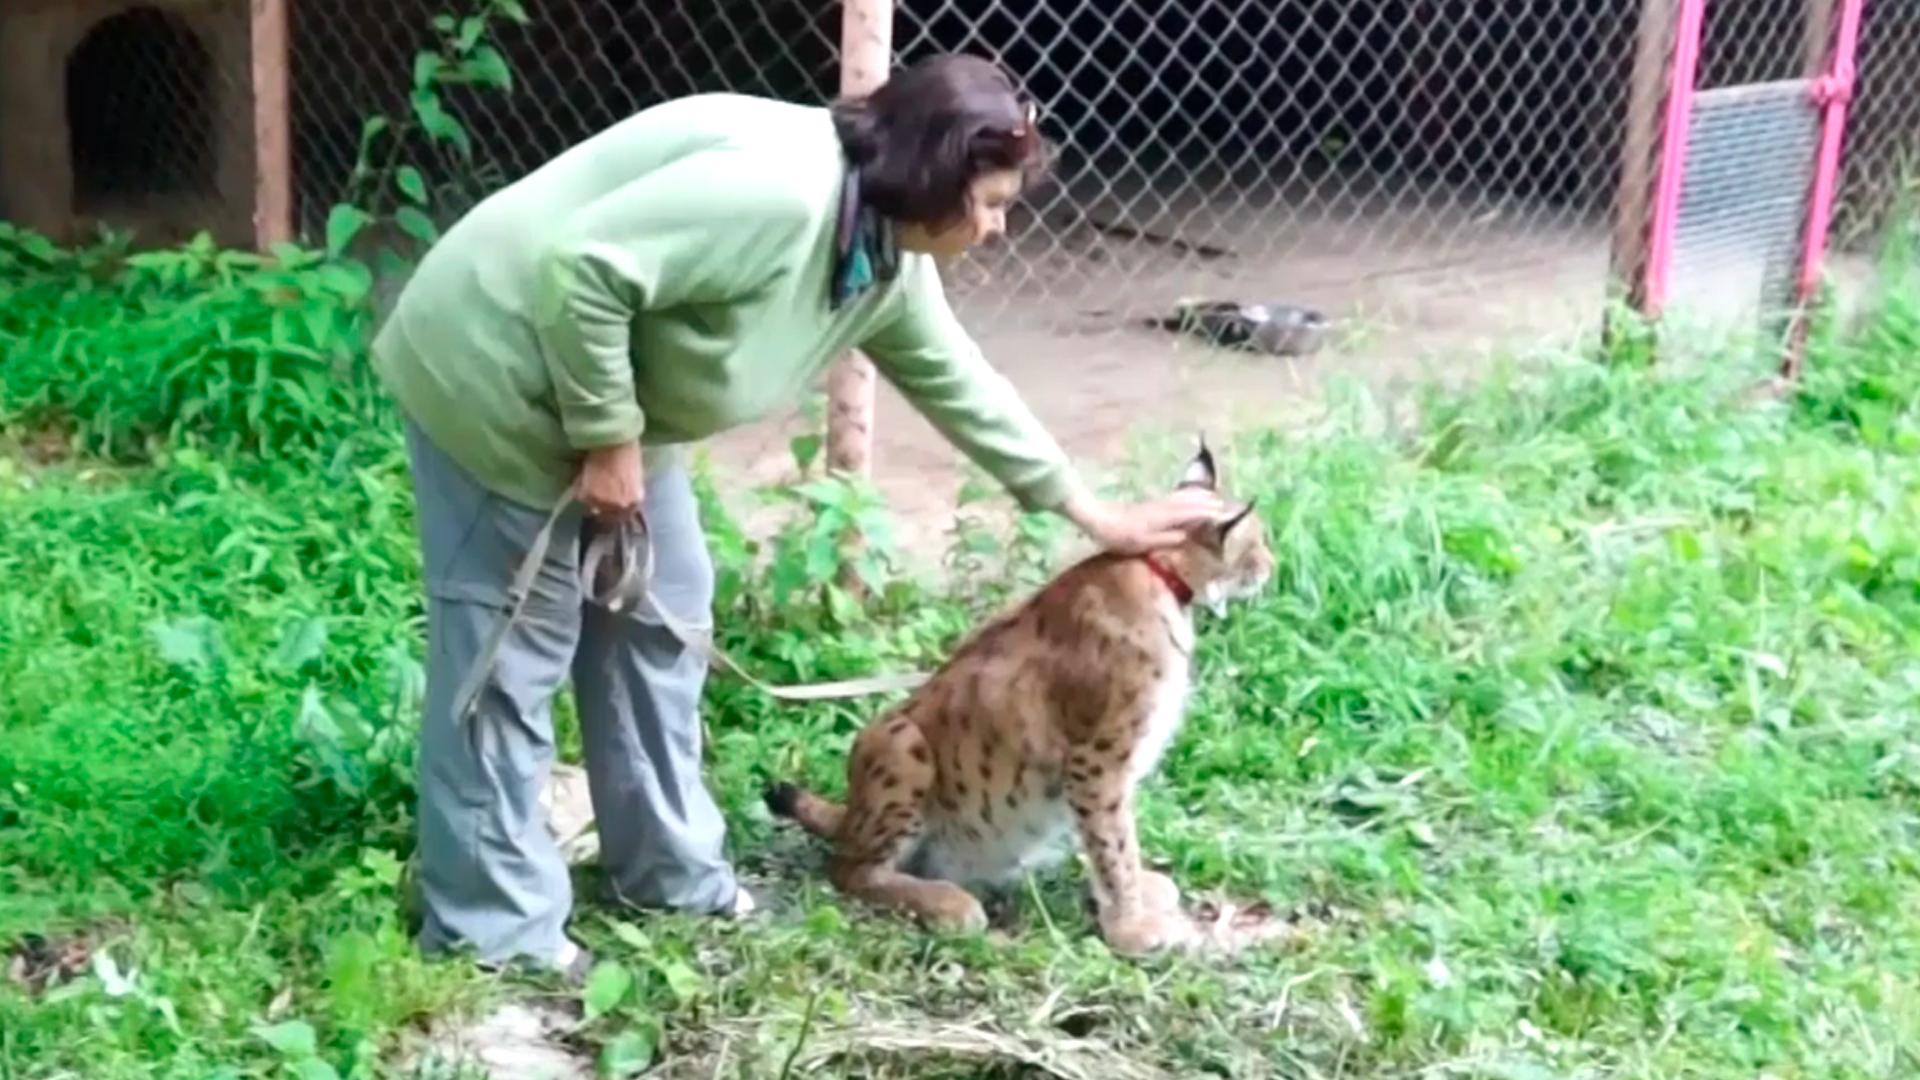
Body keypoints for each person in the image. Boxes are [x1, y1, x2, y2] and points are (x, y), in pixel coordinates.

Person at [370, 52, 1225, 979]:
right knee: (511, 657)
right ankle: (495, 934)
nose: (997, 226)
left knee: (662, 618)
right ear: (932, 176)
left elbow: (961, 382)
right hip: (498, 367)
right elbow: (581, 269)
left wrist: (1094, 514)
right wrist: (608, 436)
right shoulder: (779, 196)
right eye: (988, 201)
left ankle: (667, 874)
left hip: (605, 389)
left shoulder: (884, 252)